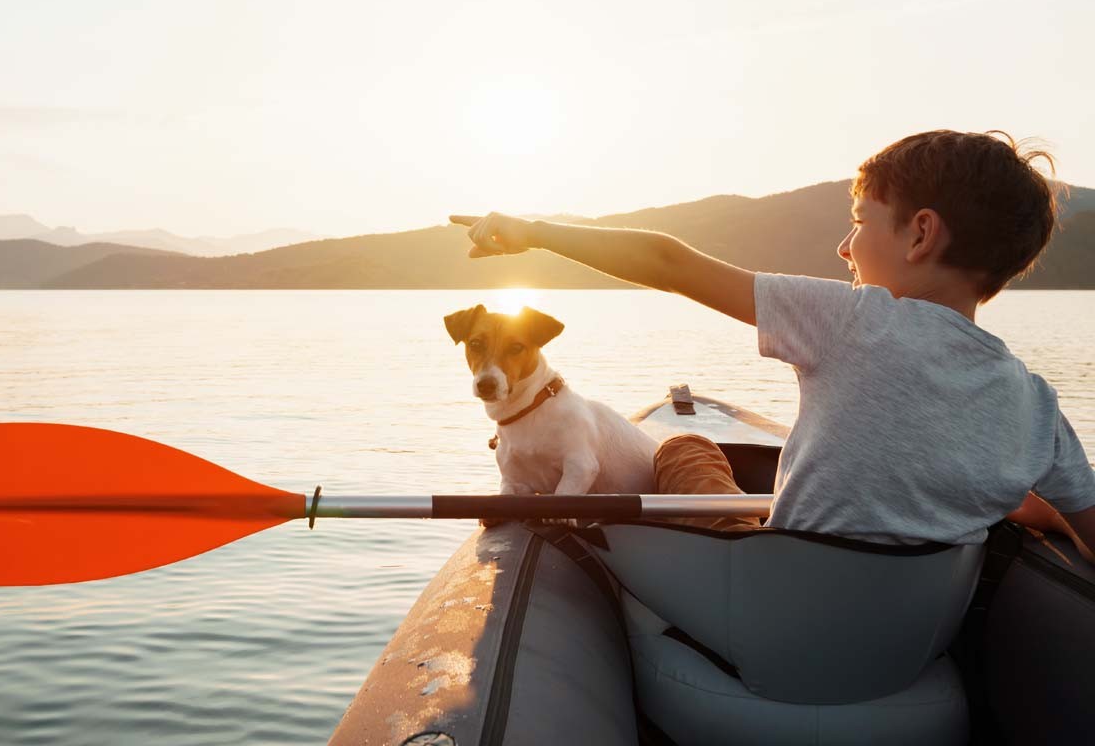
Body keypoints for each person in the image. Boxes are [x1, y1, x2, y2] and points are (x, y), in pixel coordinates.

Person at [450, 129, 1095, 559]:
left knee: (686, 445)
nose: (844, 248)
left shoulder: (848, 319)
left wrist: (531, 231)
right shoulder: (1038, 411)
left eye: (858, 223)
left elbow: (666, 262)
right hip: (906, 649)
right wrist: (1027, 508)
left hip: (765, 621)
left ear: (921, 234)